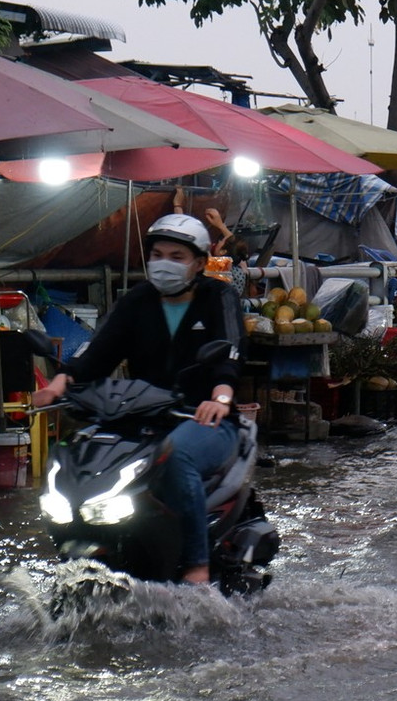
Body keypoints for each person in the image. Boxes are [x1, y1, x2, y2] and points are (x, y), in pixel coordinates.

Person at [29, 213, 245, 586]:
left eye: (176, 257)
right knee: (76, 451)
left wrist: (220, 396)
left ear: (198, 262)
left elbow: (229, 350)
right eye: (157, 254)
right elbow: (99, 351)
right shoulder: (137, 300)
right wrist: (61, 381)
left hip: (203, 417)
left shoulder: (218, 296)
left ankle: (197, 566)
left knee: (176, 455)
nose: (164, 263)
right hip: (140, 414)